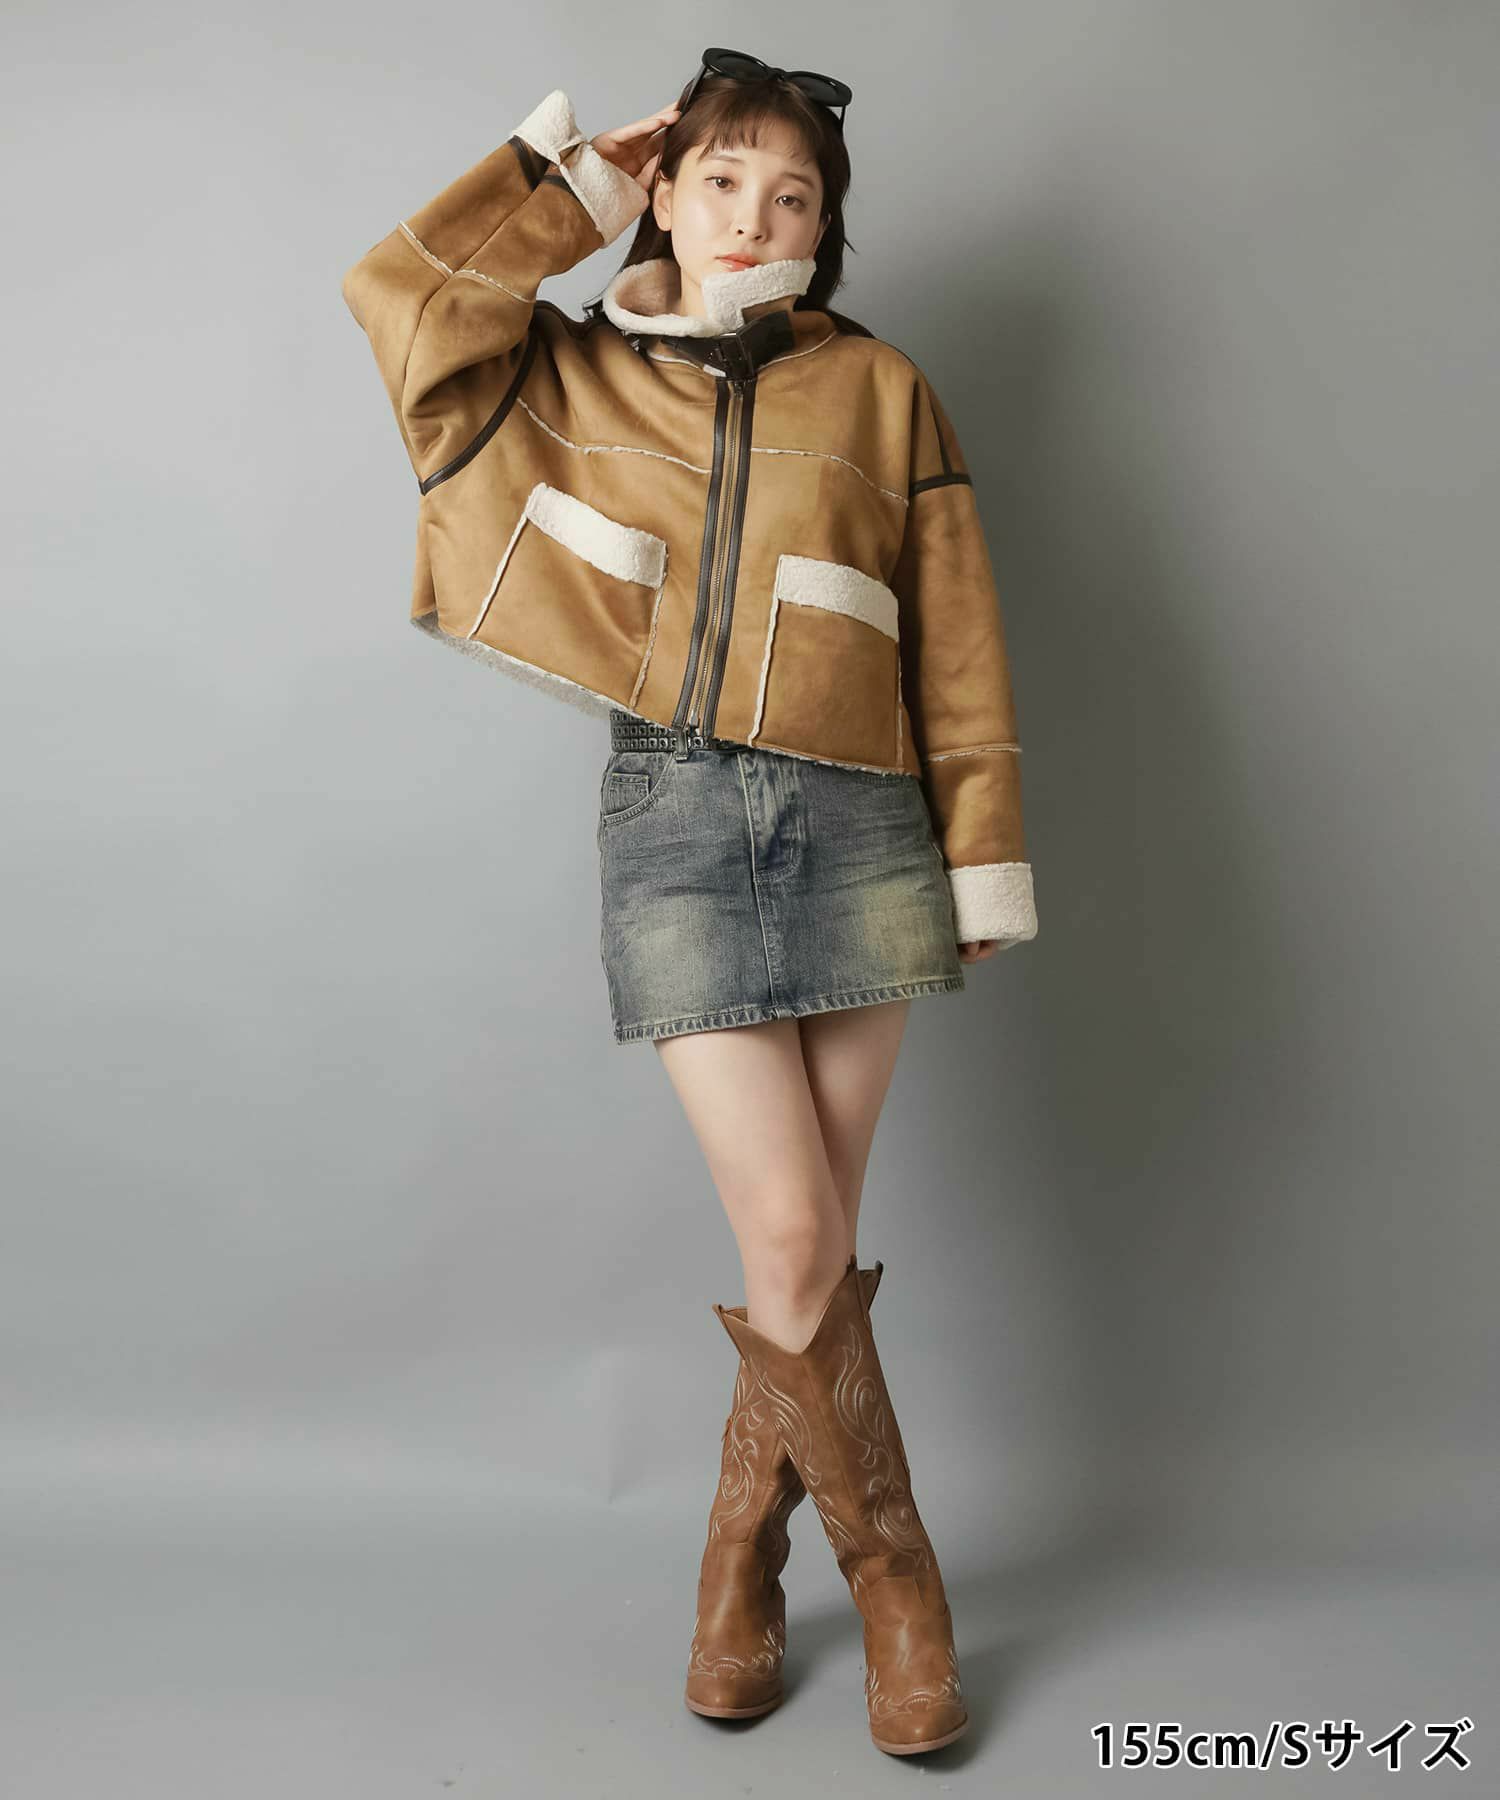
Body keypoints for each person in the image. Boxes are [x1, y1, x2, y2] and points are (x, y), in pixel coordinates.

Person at [341, 47, 1038, 1759]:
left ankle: (738, 1565)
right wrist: (578, 181)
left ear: (823, 227)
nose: (755, 215)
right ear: (666, 188)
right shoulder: (571, 367)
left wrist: (980, 852)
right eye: (722, 178)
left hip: (866, 818)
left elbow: (953, 634)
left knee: (808, 1255)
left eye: (793, 195)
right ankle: (899, 1583)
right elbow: (405, 305)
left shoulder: (884, 390)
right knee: (794, 1239)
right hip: (676, 821)